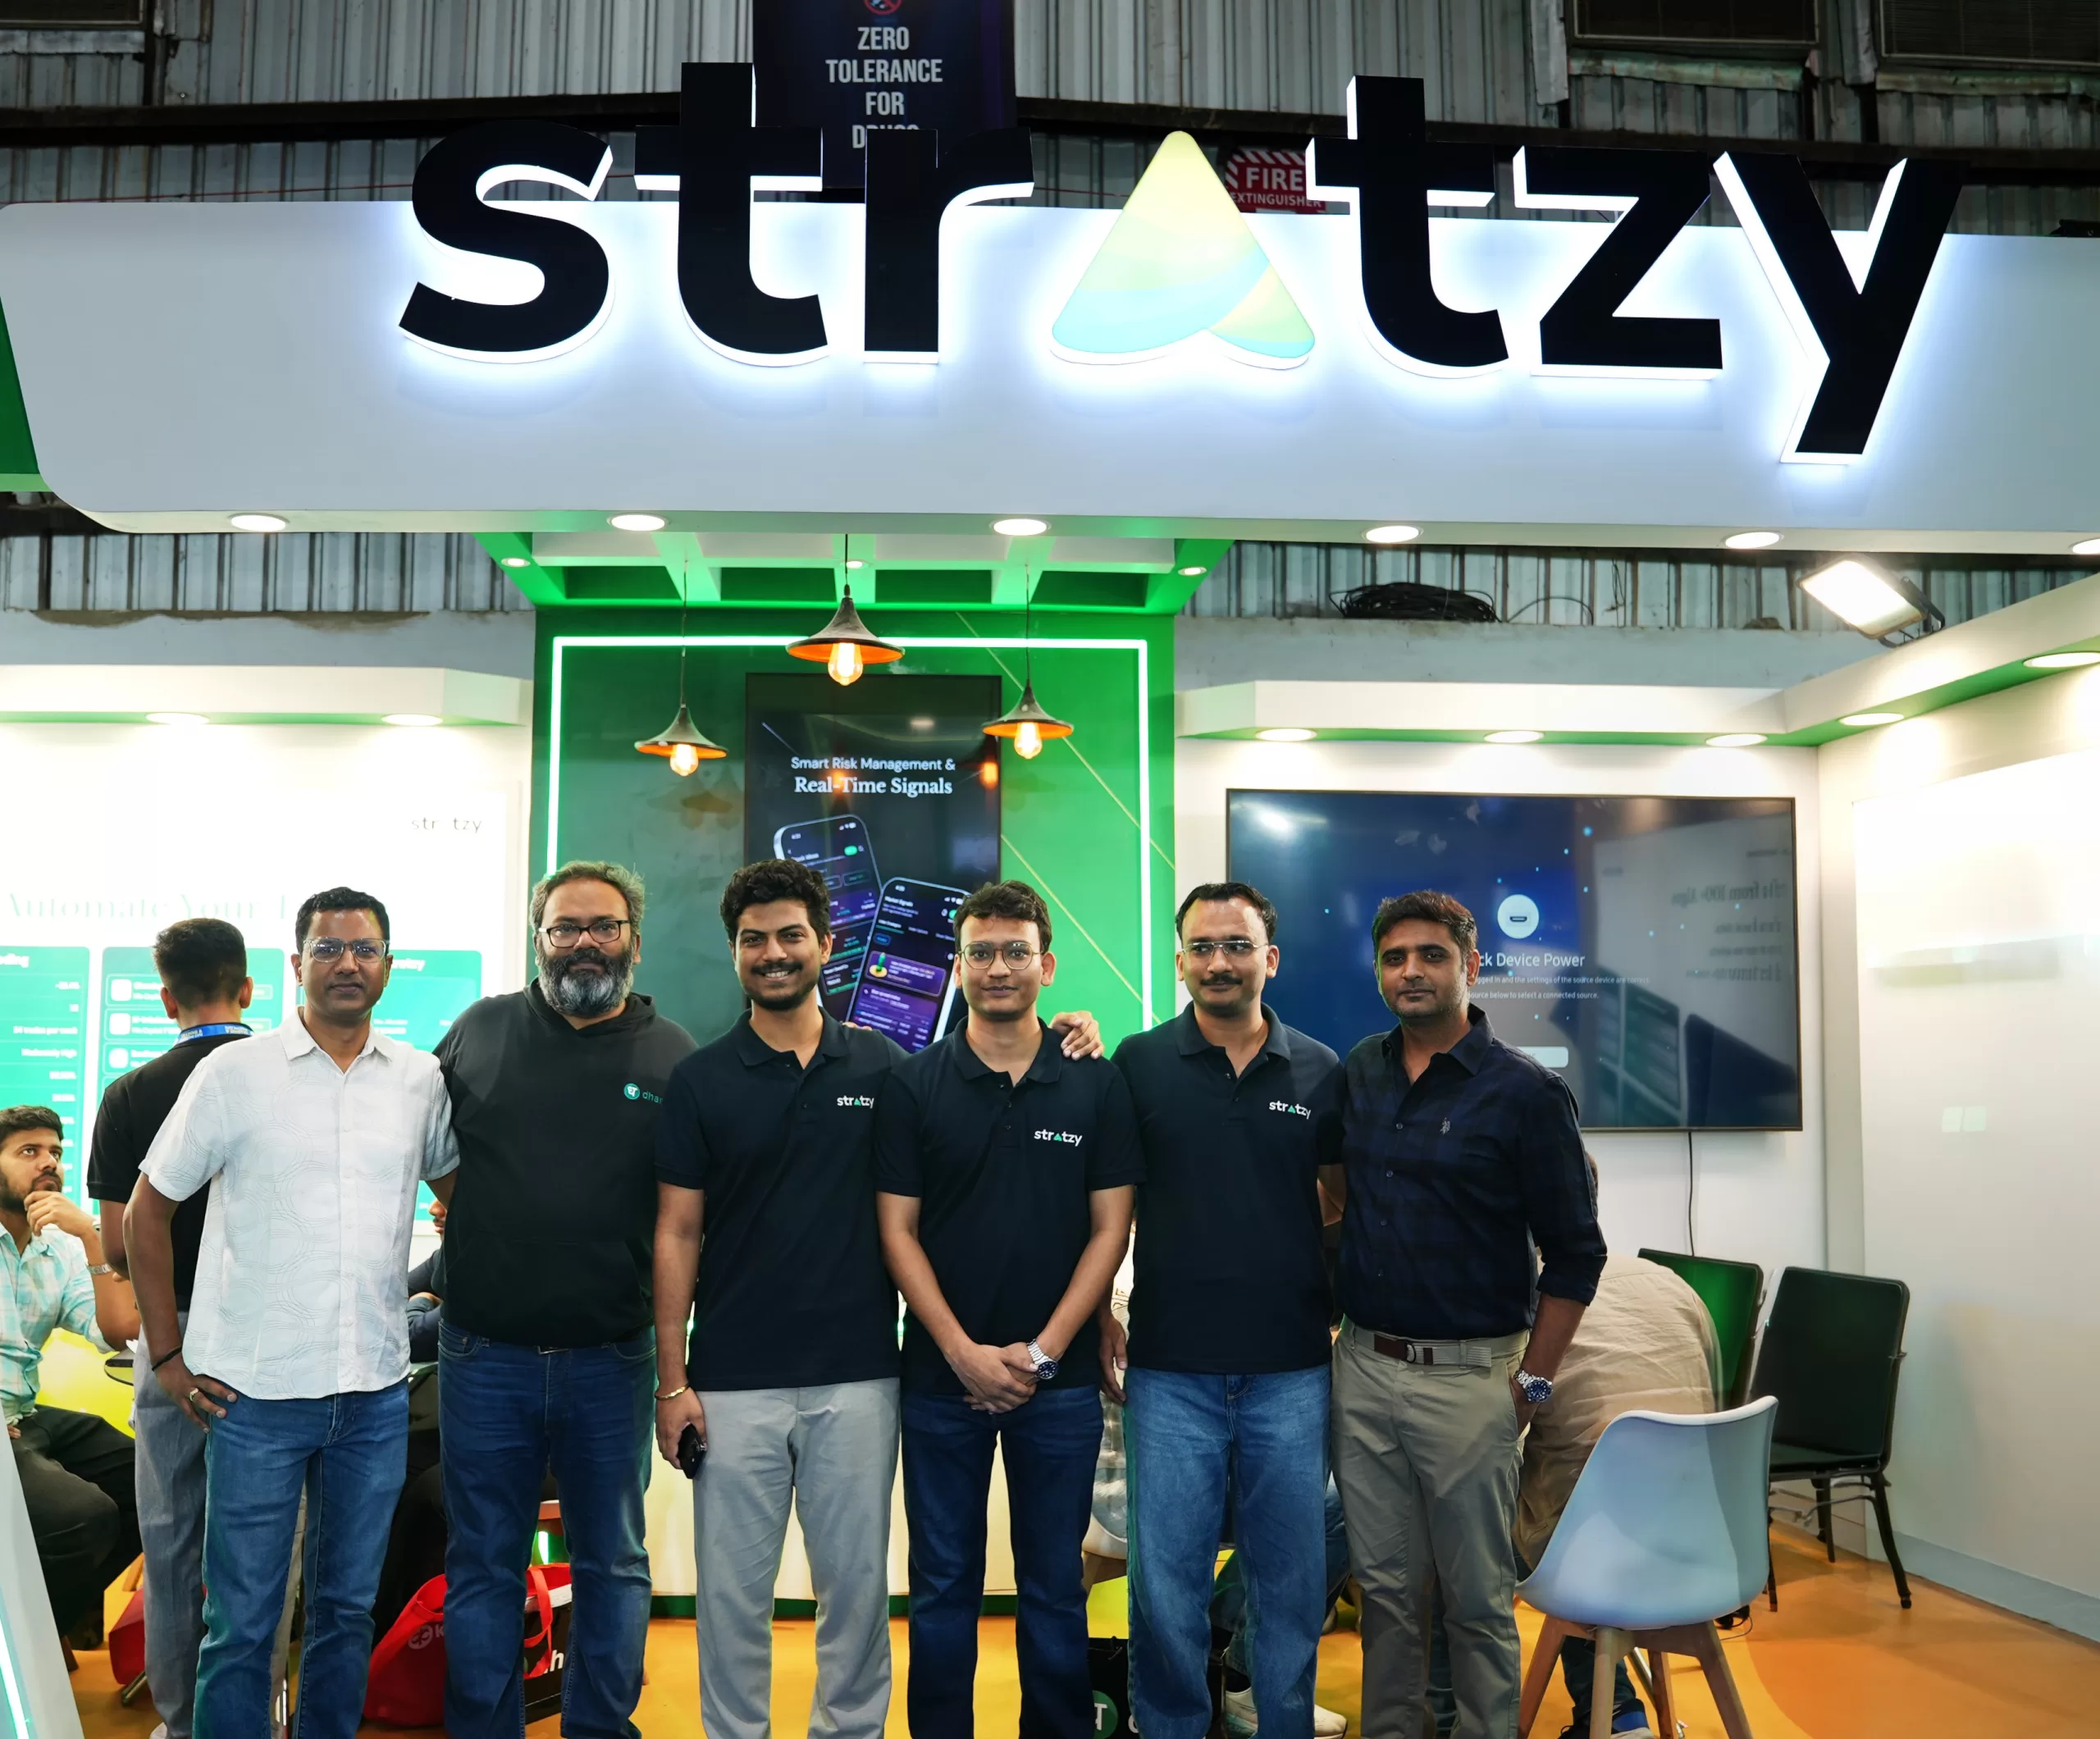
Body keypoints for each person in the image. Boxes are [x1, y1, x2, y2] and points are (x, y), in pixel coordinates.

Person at [654, 859, 1107, 1739]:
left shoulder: (888, 1068)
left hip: (860, 1376)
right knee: (734, 1601)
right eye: (754, 939)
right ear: (735, 952)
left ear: (827, 944)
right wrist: (673, 1383)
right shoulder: (702, 1078)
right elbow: (675, 1232)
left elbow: (969, 1169)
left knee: (858, 1597)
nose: (774, 952)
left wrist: (1071, 1031)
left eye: (792, 934)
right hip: (733, 1379)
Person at [130, 886, 459, 1739]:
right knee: (242, 1621)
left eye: (365, 948)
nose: (348, 962)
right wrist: (166, 1355)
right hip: (256, 1397)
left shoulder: (418, 1080)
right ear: (296, 963)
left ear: (389, 964)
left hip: (373, 1395)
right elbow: (146, 1211)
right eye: (328, 948)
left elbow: (461, 1195)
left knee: (346, 1612)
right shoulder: (234, 1074)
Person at [1324, 890, 1605, 1739]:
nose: (1411, 971)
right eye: (1394, 958)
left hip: (1471, 1380)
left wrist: (1531, 1384)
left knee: (1477, 1602)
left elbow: (1576, 1256)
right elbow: (1336, 1194)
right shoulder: (1360, 1070)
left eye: (1431, 955)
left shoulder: (1526, 1094)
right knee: (1385, 1597)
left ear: (1471, 966)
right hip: (1363, 1370)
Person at [433, 860, 696, 1739]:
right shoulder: (478, 1029)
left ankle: (599, 1729)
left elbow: (688, 1217)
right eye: (566, 927)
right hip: (483, 1354)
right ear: (538, 939)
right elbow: (424, 1143)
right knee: (483, 1564)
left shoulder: (673, 1055)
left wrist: (674, 1371)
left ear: (634, 941)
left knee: (612, 1562)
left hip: (610, 1358)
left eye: (604, 927)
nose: (585, 942)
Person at [874, 879, 1144, 1738]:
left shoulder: (1095, 1082)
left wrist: (1045, 1351)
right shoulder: (914, 1084)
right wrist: (960, 1351)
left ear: (1046, 965)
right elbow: (897, 1231)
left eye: (1015, 951)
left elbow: (1110, 1229)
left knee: (1053, 1586)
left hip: (1057, 1387)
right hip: (939, 1380)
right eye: (981, 952)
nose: (998, 967)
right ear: (958, 966)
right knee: (942, 1585)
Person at [1104, 882, 1344, 1739]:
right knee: (1165, 1584)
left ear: (1268, 958)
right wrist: (1099, 1310)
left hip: (1291, 1368)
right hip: (1170, 1368)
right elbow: (1108, 1205)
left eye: (1236, 945)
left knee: (1290, 1581)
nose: (1218, 962)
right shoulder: (1136, 1063)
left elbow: (1340, 1205)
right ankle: (1169, 1726)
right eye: (1201, 946)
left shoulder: (1321, 1069)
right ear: (1180, 961)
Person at [86, 916, 254, 1739]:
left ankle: (184, 1723)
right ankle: (254, 1714)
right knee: (263, 1546)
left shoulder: (130, 1093)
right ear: (248, 987)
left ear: (165, 999)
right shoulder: (279, 1076)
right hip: (267, 1335)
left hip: (170, 1335)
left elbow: (119, 1243)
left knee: (171, 1535)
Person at [2, 1105, 141, 1642]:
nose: (49, 1164)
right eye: (29, 1151)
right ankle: (25, 1647)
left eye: (55, 1152)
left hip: (22, 1414)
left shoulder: (57, 1248)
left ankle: (47, 1625)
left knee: (148, 1487)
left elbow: (118, 1331)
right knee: (84, 1515)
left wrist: (90, 1236)